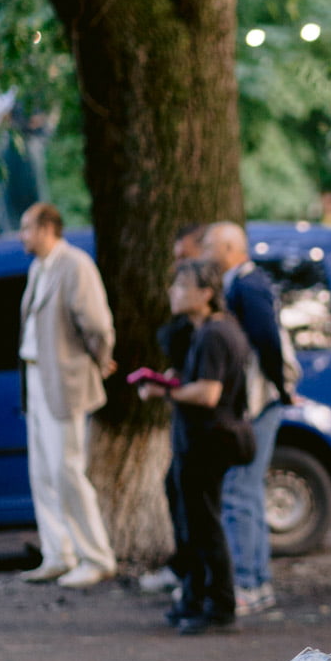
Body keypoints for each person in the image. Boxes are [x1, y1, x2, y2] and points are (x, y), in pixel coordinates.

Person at [137, 259, 249, 634]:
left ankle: (218, 605)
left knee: (204, 524)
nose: (173, 292)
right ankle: (196, 597)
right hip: (200, 439)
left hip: (208, 440)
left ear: (206, 294)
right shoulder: (208, 331)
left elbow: (208, 392)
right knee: (195, 522)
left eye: (183, 287)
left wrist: (163, 390)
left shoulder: (216, 333)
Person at [17, 202, 117, 588]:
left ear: (46, 228)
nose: (22, 235)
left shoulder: (74, 264)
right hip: (37, 377)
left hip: (65, 379)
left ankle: (96, 556)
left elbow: (97, 324)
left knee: (66, 469)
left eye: (27, 227)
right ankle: (57, 553)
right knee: (42, 471)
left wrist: (100, 360)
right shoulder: (38, 267)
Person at [202, 222, 292, 616]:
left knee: (240, 490)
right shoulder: (247, 281)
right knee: (248, 490)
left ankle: (248, 584)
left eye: (209, 245)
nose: (204, 251)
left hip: (257, 402)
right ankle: (258, 583)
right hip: (263, 399)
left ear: (228, 247)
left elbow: (267, 340)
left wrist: (280, 386)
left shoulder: (248, 284)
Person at [139, 224, 210, 599]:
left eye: (184, 257)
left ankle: (204, 587)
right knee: (182, 492)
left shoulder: (214, 330)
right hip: (191, 422)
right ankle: (192, 579)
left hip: (207, 429)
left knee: (200, 507)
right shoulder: (199, 330)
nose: (175, 274)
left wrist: (174, 389)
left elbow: (211, 391)